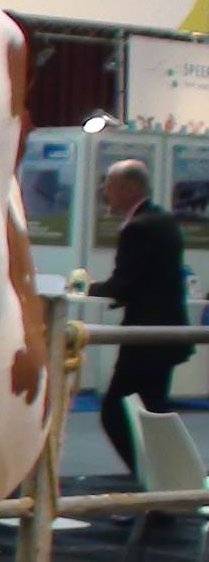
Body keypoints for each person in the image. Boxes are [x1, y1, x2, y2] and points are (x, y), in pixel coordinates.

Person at [90, 159, 191, 480]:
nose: (105, 192)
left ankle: (154, 483)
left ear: (130, 188)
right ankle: (163, 489)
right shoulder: (163, 220)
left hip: (145, 340)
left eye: (110, 185)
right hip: (164, 336)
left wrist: (81, 288)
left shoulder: (139, 227)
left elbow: (125, 284)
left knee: (116, 413)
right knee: (153, 414)